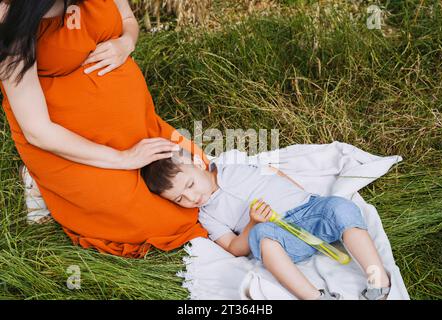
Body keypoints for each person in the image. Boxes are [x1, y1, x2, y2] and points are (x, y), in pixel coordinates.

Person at [0, 0, 209, 257]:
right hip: (67, 144)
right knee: (163, 220)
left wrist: (125, 43)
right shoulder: (10, 18)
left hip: (137, 127)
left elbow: (128, 21)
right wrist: (123, 158)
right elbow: (38, 130)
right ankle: (40, 180)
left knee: (201, 171)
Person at [140, 149, 393, 300]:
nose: (192, 198)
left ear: (197, 164)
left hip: (309, 210)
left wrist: (298, 194)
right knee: (262, 236)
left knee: (339, 207)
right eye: (180, 199)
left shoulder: (232, 164)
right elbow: (234, 247)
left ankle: (377, 279)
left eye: (190, 185)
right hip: (283, 236)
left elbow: (273, 172)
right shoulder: (206, 214)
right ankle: (315, 296)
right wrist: (251, 224)